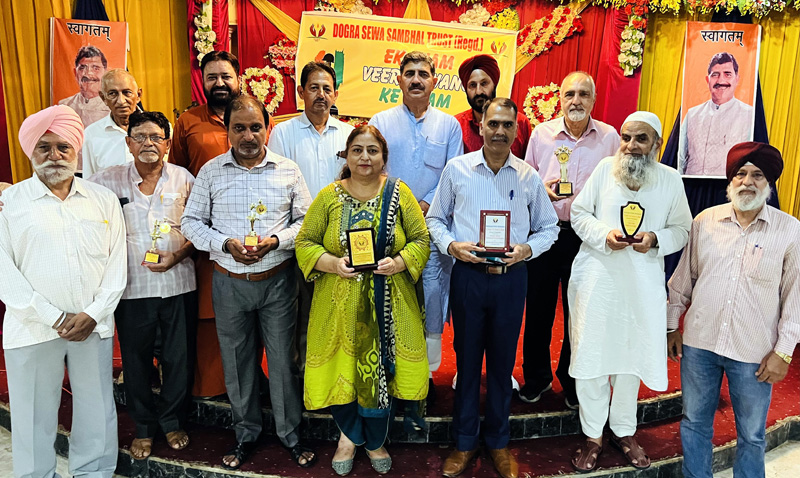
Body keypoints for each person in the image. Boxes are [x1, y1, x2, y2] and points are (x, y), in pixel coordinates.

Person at [182, 95, 315, 470]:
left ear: (267, 128)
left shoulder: (288, 170)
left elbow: (306, 221)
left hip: (278, 282)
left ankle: (291, 435)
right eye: (239, 128)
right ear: (227, 131)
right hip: (229, 283)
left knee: (283, 363)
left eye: (255, 127)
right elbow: (191, 223)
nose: (248, 135)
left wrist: (276, 241)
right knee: (237, 364)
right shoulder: (210, 172)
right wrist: (224, 244)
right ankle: (246, 434)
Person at [428, 98, 559, 478]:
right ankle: (465, 441)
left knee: (503, 364)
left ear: (517, 130)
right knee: (467, 363)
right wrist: (452, 246)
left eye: (507, 125)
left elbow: (549, 227)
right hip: (469, 277)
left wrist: (527, 250)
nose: (500, 131)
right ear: (481, 126)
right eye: (493, 124)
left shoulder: (529, 176)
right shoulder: (457, 170)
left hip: (510, 280)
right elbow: (436, 218)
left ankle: (499, 443)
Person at [296, 125, 430, 476]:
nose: (365, 157)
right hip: (338, 304)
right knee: (344, 369)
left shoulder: (400, 194)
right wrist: (332, 264)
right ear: (347, 155)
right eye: (357, 150)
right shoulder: (328, 196)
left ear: (384, 157)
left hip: (390, 303)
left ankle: (374, 440)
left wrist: (400, 261)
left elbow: (421, 238)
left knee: (379, 372)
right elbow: (305, 242)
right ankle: (347, 436)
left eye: (372, 150)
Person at [0, 105, 126, 477]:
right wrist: (53, 316)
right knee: (33, 416)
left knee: (96, 410)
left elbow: (116, 265)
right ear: (30, 151)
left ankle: (95, 473)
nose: (54, 156)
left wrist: (93, 313)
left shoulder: (102, 200)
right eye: (44, 147)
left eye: (63, 148)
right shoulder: (9, 205)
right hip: (33, 328)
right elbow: (5, 273)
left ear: (77, 151)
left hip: (93, 325)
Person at [567, 111, 692, 472]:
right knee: (590, 358)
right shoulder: (606, 169)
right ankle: (593, 435)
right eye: (625, 137)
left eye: (640, 138)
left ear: (657, 143)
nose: (631, 146)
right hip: (596, 280)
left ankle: (624, 430)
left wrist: (655, 239)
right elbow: (578, 214)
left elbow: (682, 229)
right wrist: (605, 236)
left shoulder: (670, 179)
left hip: (642, 285)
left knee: (630, 358)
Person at [668, 142, 800, 478]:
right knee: (694, 424)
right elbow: (683, 279)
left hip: (754, 353)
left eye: (757, 175)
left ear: (768, 183)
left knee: (752, 436)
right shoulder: (705, 221)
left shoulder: (790, 230)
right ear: (730, 182)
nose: (747, 181)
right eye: (740, 174)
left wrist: (783, 354)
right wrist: (672, 325)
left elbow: (794, 298)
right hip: (700, 346)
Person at [89, 110, 196, 460]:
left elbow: (200, 229)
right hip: (132, 288)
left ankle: (172, 421)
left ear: (166, 143)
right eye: (140, 137)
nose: (148, 143)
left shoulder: (184, 178)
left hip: (179, 283)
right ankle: (145, 427)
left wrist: (178, 256)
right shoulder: (106, 181)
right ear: (128, 142)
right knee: (135, 361)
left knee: (179, 358)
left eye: (155, 137)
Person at [171, 50, 274, 398]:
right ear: (202, 80)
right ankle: (213, 385)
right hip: (208, 238)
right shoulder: (188, 121)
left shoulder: (253, 116)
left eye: (225, 76)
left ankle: (253, 378)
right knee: (211, 314)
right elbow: (179, 175)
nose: (219, 83)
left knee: (258, 312)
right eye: (211, 76)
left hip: (257, 237)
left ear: (238, 78)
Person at [520, 71, 619, 408]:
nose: (576, 100)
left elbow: (617, 186)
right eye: (569, 94)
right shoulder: (541, 135)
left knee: (580, 314)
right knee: (538, 311)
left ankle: (573, 380)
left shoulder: (610, 138)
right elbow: (525, 182)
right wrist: (540, 191)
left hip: (586, 238)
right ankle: (536, 378)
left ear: (593, 99)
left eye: (583, 94)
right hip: (546, 234)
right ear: (559, 99)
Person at [369, 51, 463, 401]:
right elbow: (372, 169)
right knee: (394, 293)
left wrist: (424, 205)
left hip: (434, 224)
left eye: (423, 73)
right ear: (399, 80)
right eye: (409, 73)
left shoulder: (449, 125)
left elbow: (452, 175)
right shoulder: (380, 120)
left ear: (434, 81)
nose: (416, 79)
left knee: (433, 291)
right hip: (390, 224)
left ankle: (427, 375)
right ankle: (391, 373)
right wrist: (403, 209)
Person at [268, 61, 354, 373]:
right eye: (314, 88)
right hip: (299, 242)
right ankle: (301, 380)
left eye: (327, 89)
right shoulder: (283, 132)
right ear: (300, 91)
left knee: (337, 315)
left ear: (335, 94)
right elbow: (276, 187)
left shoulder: (348, 135)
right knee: (300, 315)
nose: (320, 94)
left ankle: (334, 377)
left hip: (340, 243)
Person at [679, 52, 754, 176]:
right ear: (708, 80)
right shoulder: (692, 115)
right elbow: (681, 158)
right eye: (715, 75)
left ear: (737, 79)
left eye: (727, 74)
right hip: (693, 188)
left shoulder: (749, 116)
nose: (721, 80)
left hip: (729, 190)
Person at [454, 54, 531, 158]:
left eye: (484, 83)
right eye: (472, 85)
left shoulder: (520, 122)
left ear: (494, 84)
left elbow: (527, 166)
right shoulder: (457, 125)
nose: (478, 91)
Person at [82, 69, 143, 177]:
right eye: (113, 94)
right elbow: (90, 183)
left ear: (138, 95)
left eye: (127, 93)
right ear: (103, 98)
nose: (121, 101)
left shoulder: (159, 128)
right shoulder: (91, 134)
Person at [58, 45, 111, 129]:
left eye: (96, 68)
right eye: (82, 68)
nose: (88, 74)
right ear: (75, 73)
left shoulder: (113, 107)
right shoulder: (64, 106)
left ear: (105, 73)